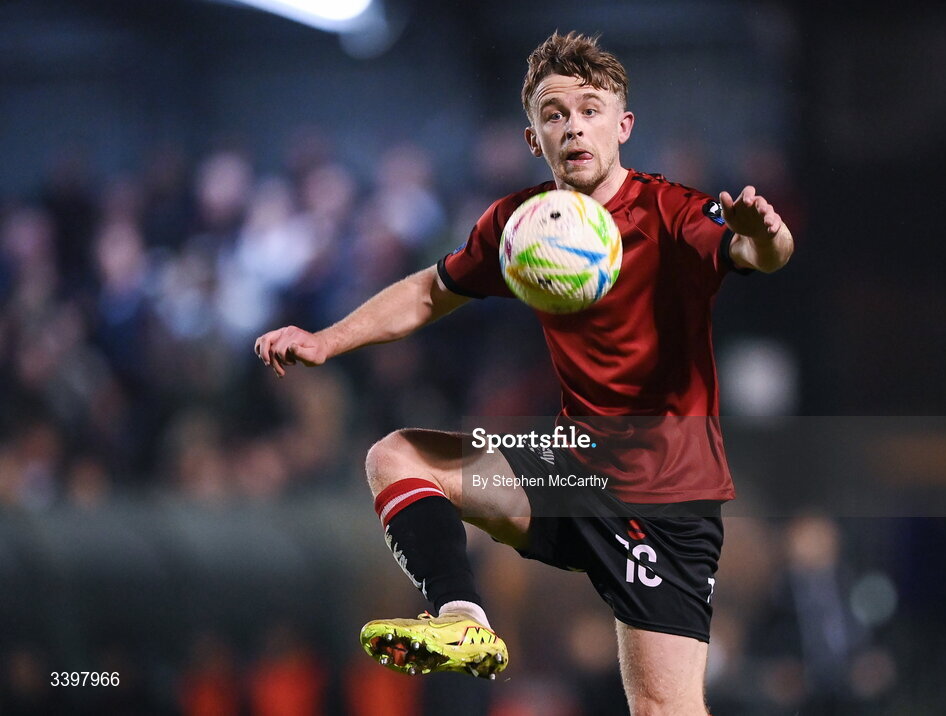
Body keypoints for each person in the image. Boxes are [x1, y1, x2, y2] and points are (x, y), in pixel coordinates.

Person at [255, 31, 793, 716]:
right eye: (554, 112)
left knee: (664, 709)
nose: (574, 126)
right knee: (396, 456)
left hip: (664, 499)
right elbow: (429, 291)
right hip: (568, 472)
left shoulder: (672, 213)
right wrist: (327, 341)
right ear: (533, 137)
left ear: (623, 126)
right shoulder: (523, 224)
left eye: (590, 109)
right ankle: (463, 619)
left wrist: (764, 232)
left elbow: (758, 251)